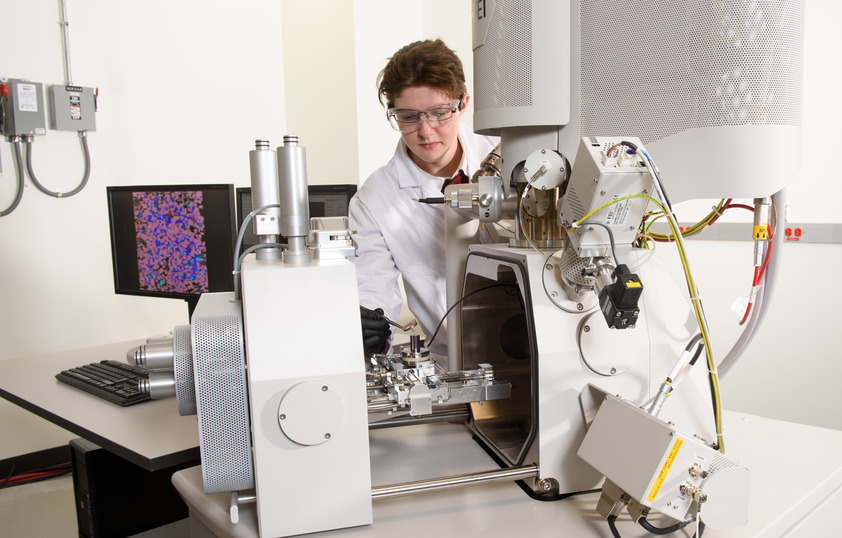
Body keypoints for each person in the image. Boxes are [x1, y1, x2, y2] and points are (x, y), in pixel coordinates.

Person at [349, 39, 499, 367]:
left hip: (539, 345)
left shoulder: (507, 156)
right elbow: (374, 288)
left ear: (463, 104)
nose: (425, 131)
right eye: (408, 117)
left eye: (439, 113)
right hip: (455, 364)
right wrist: (368, 320)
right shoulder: (374, 199)